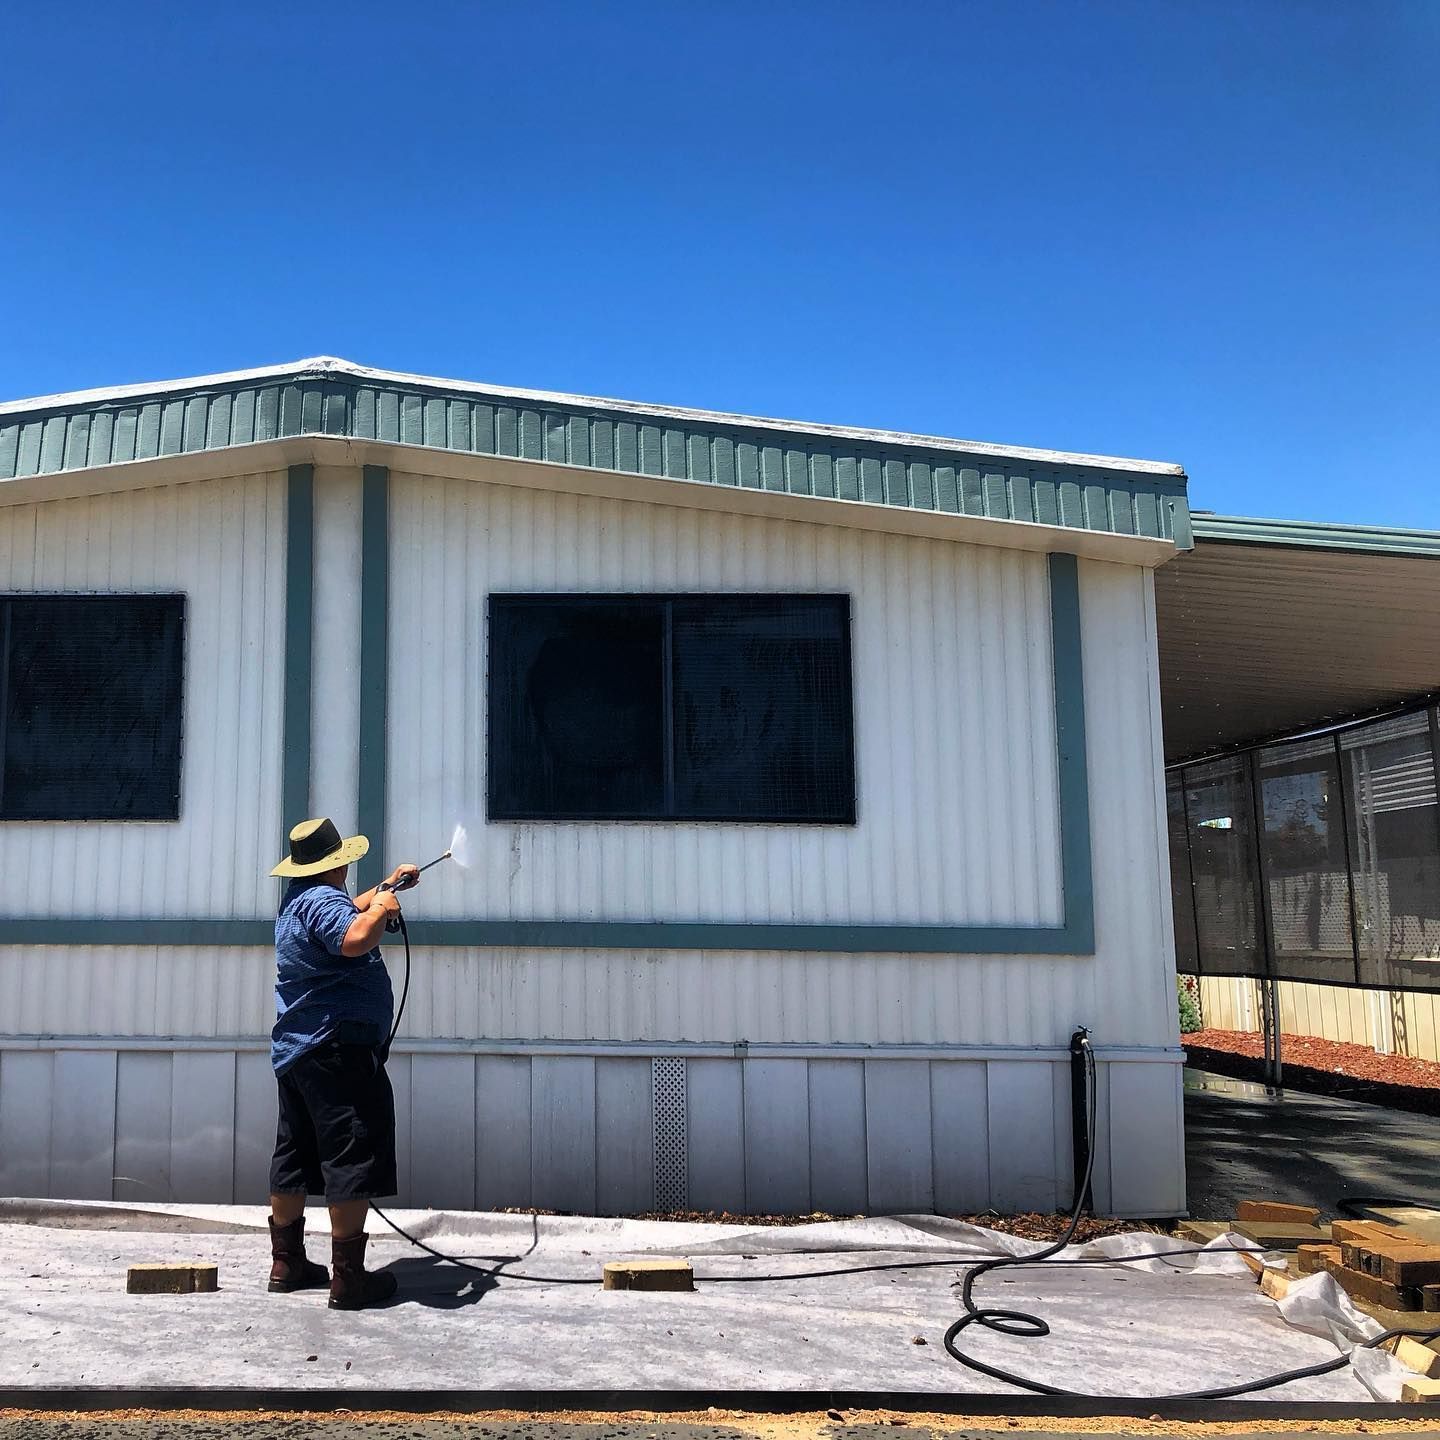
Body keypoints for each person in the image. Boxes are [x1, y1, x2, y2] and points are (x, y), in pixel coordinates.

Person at [266, 816, 419, 1310]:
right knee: (349, 1153)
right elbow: (354, 937)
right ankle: (349, 1278)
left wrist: (387, 888)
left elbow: (347, 915)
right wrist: (380, 907)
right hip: (337, 1049)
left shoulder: (296, 904)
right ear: (338, 864)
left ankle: (286, 1262)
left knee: (294, 1153)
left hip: (297, 1051)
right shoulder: (325, 901)